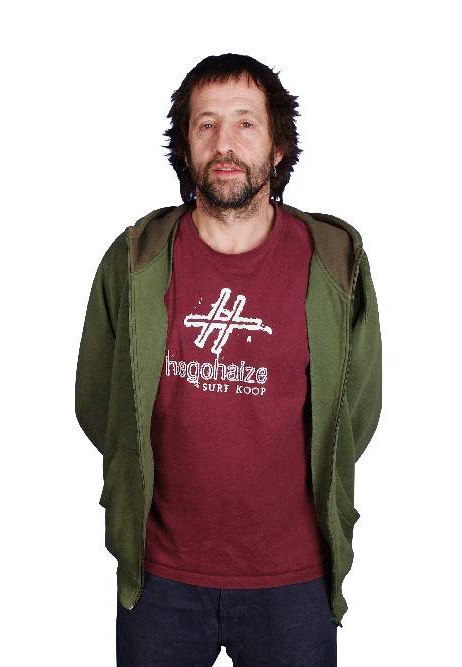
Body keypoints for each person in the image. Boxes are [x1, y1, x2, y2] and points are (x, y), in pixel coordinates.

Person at [75, 53, 382, 666]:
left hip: (294, 579)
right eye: (205, 124)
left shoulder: (334, 258)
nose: (224, 144)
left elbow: (358, 411)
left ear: (277, 146)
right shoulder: (135, 258)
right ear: (185, 144)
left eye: (245, 123)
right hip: (159, 575)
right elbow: (98, 402)